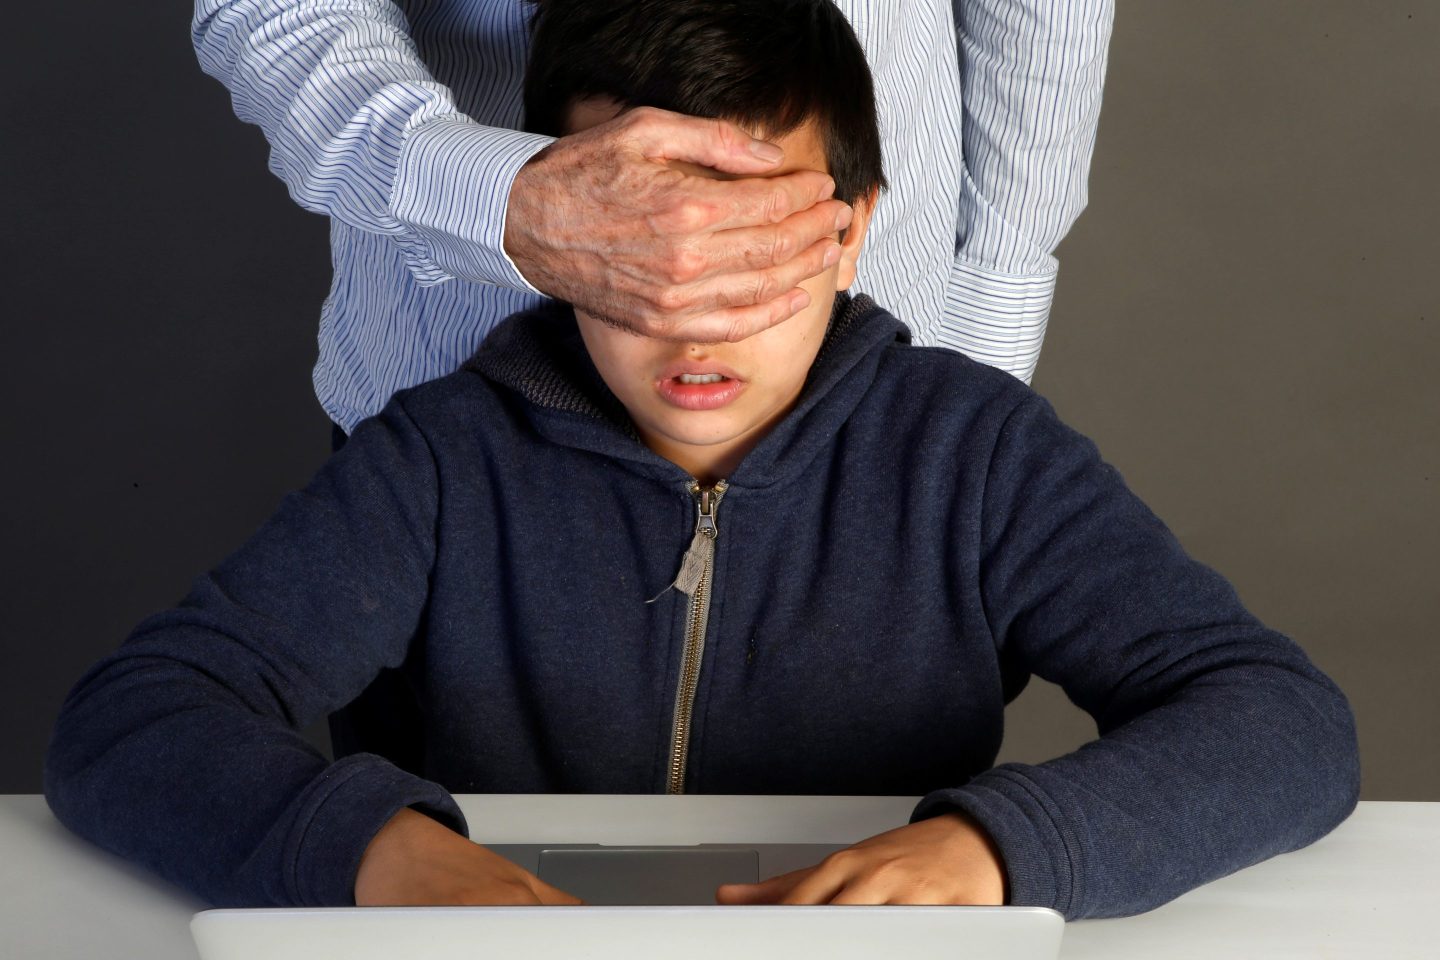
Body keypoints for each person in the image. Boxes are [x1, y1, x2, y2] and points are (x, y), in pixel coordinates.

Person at [47, 0, 1357, 920]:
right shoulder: (445, 459)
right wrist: (364, 849)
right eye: (650, 251)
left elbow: (1286, 726)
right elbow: (132, 722)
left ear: (850, 237)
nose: (694, 311)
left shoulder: (973, 459)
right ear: (576, 231)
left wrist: (1005, 845)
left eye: (753, 253)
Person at [190, 0, 1115, 440]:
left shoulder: (961, 462)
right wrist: (497, 199)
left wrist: (974, 354)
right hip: (458, 366)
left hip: (871, 388)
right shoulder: (414, 496)